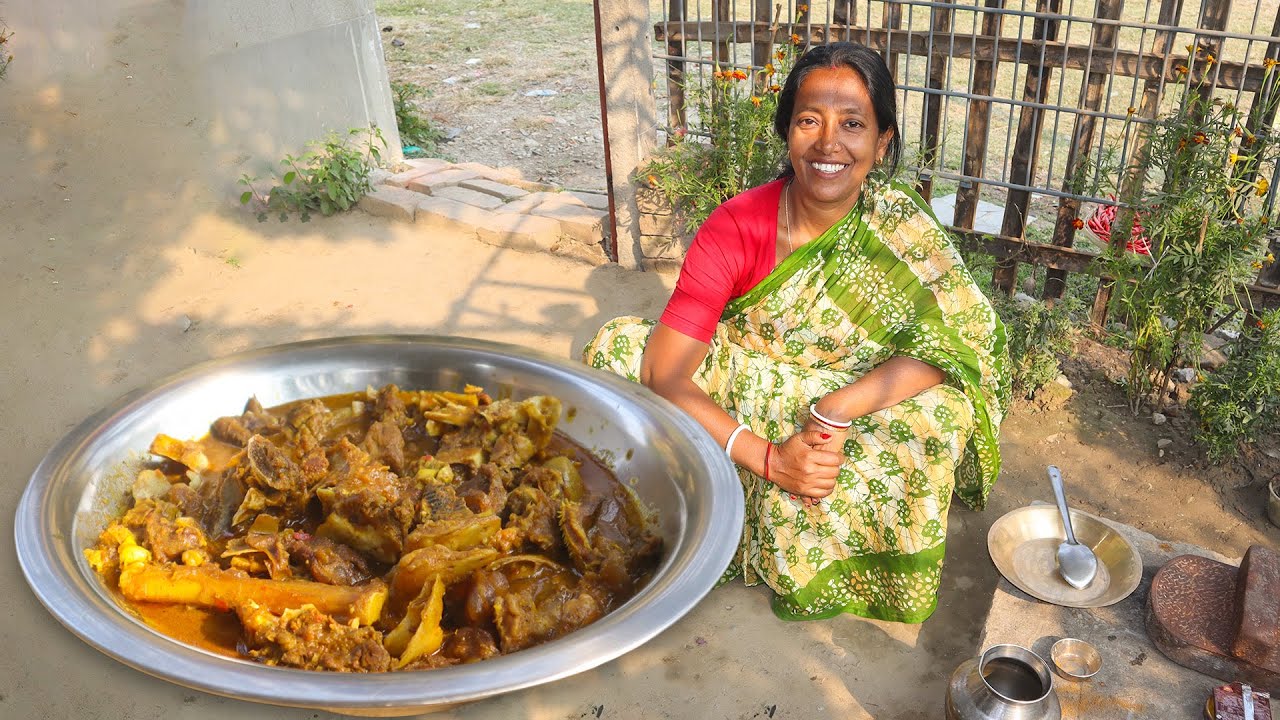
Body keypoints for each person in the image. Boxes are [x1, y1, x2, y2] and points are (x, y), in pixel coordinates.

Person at [583, 42, 1010, 623]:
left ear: (881, 143)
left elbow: (955, 338)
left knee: (939, 419)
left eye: (853, 124)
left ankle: (797, 521)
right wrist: (768, 458)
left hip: (852, 399)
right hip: (750, 380)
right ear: (787, 132)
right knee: (621, 349)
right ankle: (762, 489)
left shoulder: (899, 223)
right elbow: (664, 370)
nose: (829, 143)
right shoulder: (737, 225)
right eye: (810, 120)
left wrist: (837, 408)